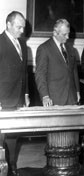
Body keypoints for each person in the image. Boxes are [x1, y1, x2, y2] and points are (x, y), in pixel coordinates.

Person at [0, 11, 29, 174]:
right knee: (0, 138)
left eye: (23, 27)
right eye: (19, 27)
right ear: (8, 24)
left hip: (17, 98)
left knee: (13, 135)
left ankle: (12, 167)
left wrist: (25, 94)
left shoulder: (23, 44)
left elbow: (24, 71)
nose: (22, 31)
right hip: (2, 99)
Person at [35, 19, 80, 106]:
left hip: (72, 97)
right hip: (54, 98)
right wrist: (45, 96)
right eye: (64, 34)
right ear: (55, 33)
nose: (67, 37)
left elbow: (74, 72)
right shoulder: (44, 49)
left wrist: (77, 91)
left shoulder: (71, 49)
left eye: (68, 34)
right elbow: (40, 75)